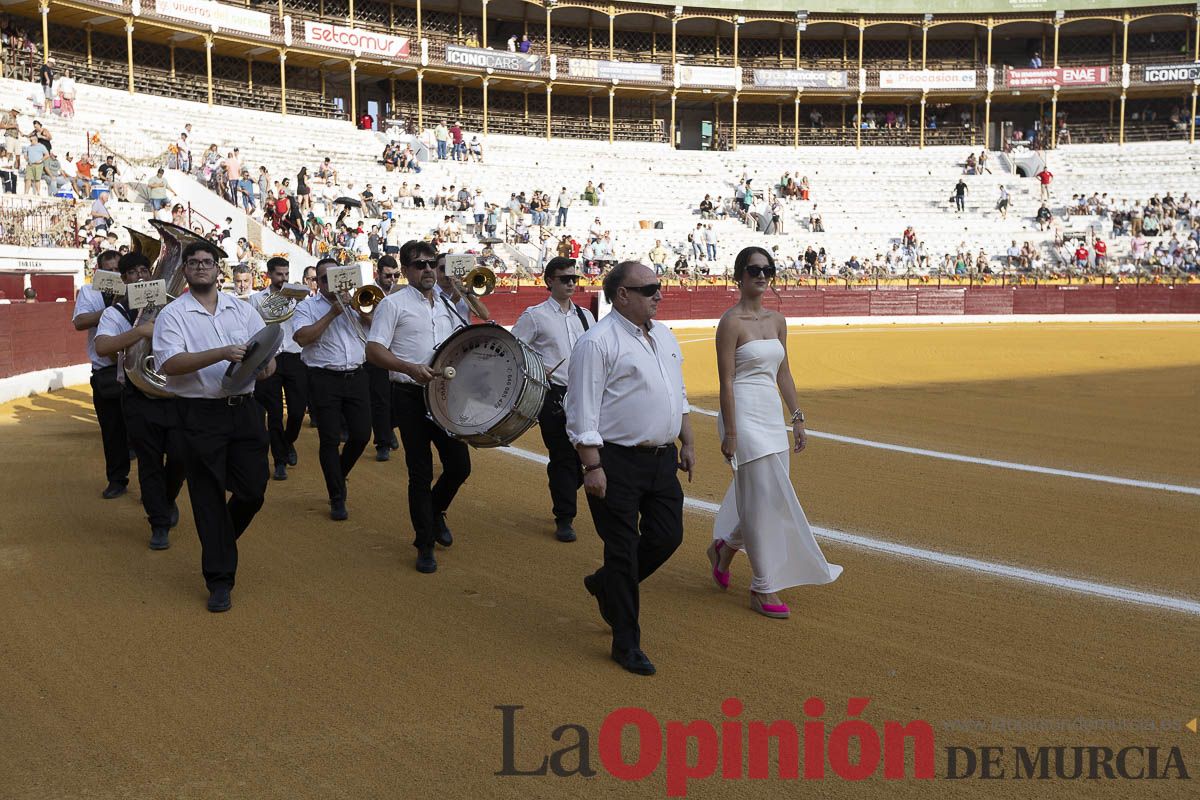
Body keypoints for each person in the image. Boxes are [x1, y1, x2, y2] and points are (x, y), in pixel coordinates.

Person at [566, 261, 695, 676]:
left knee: (667, 536)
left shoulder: (664, 334)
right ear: (622, 295)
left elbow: (677, 391)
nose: (659, 294)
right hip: (615, 460)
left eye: (658, 286)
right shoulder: (597, 342)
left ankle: (606, 584)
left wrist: (687, 439)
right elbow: (581, 409)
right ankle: (626, 642)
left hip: (661, 459)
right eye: (649, 288)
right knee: (622, 550)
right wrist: (592, 466)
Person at [709, 247, 842, 618]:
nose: (762, 276)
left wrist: (797, 417)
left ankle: (725, 549)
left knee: (768, 497)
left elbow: (783, 372)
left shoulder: (778, 320)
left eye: (768, 269)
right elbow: (726, 381)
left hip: (769, 413)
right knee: (761, 498)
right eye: (754, 269)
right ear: (739, 275)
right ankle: (762, 585)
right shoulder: (730, 322)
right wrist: (731, 432)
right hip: (742, 414)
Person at [153, 239, 276, 613]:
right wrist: (221, 353)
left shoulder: (242, 310)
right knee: (207, 495)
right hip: (199, 413)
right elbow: (170, 363)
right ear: (185, 271)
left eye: (207, 261)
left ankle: (220, 543)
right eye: (193, 262)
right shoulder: (173, 314)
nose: (201, 267)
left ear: (217, 269)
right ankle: (219, 580)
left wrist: (266, 368)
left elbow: (268, 355)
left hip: (245, 410)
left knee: (253, 490)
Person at [366, 241, 471, 574]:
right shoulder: (392, 304)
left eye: (431, 263)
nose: (427, 269)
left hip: (445, 395)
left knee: (459, 467)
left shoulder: (447, 303)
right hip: (409, 395)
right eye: (419, 264)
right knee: (420, 472)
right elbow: (373, 350)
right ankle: (424, 543)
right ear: (406, 270)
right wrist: (409, 368)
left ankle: (434, 511)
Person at [93, 252, 185, 550]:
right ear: (124, 280)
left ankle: (166, 498)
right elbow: (103, 347)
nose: (141, 276)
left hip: (175, 393)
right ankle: (158, 523)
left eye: (145, 270)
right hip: (138, 395)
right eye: (133, 272)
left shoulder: (175, 307)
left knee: (182, 456)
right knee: (149, 462)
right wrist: (140, 331)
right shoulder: (116, 313)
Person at [511, 257, 596, 543]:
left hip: (584, 394)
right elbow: (515, 351)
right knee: (562, 456)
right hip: (553, 395)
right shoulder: (534, 316)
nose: (571, 283)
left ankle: (565, 493)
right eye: (564, 279)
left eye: (574, 279)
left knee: (587, 454)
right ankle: (564, 516)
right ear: (549, 281)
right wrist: (536, 369)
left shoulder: (586, 316)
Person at [292, 258, 373, 521]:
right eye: (324, 278)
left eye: (334, 277)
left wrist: (360, 309)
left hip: (357, 375)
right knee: (329, 439)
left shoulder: (358, 300)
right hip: (323, 378)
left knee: (361, 435)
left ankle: (337, 473)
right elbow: (302, 338)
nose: (330, 283)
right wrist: (332, 313)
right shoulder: (307, 307)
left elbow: (378, 328)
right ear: (317, 281)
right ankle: (337, 496)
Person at [72, 249, 129, 499]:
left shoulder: (133, 289)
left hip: (133, 367)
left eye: (118, 270)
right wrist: (113, 309)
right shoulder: (88, 291)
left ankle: (153, 487)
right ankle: (117, 479)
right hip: (105, 370)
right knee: (112, 430)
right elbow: (79, 322)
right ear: (99, 271)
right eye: (109, 270)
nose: (114, 274)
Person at [250, 257, 309, 481]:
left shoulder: (299, 298)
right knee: (274, 413)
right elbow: (253, 329)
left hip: (294, 356)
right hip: (270, 357)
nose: (283, 279)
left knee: (297, 411)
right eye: (279, 274)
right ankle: (280, 460)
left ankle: (287, 442)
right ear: (269, 275)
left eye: (286, 274)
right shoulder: (257, 299)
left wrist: (298, 301)